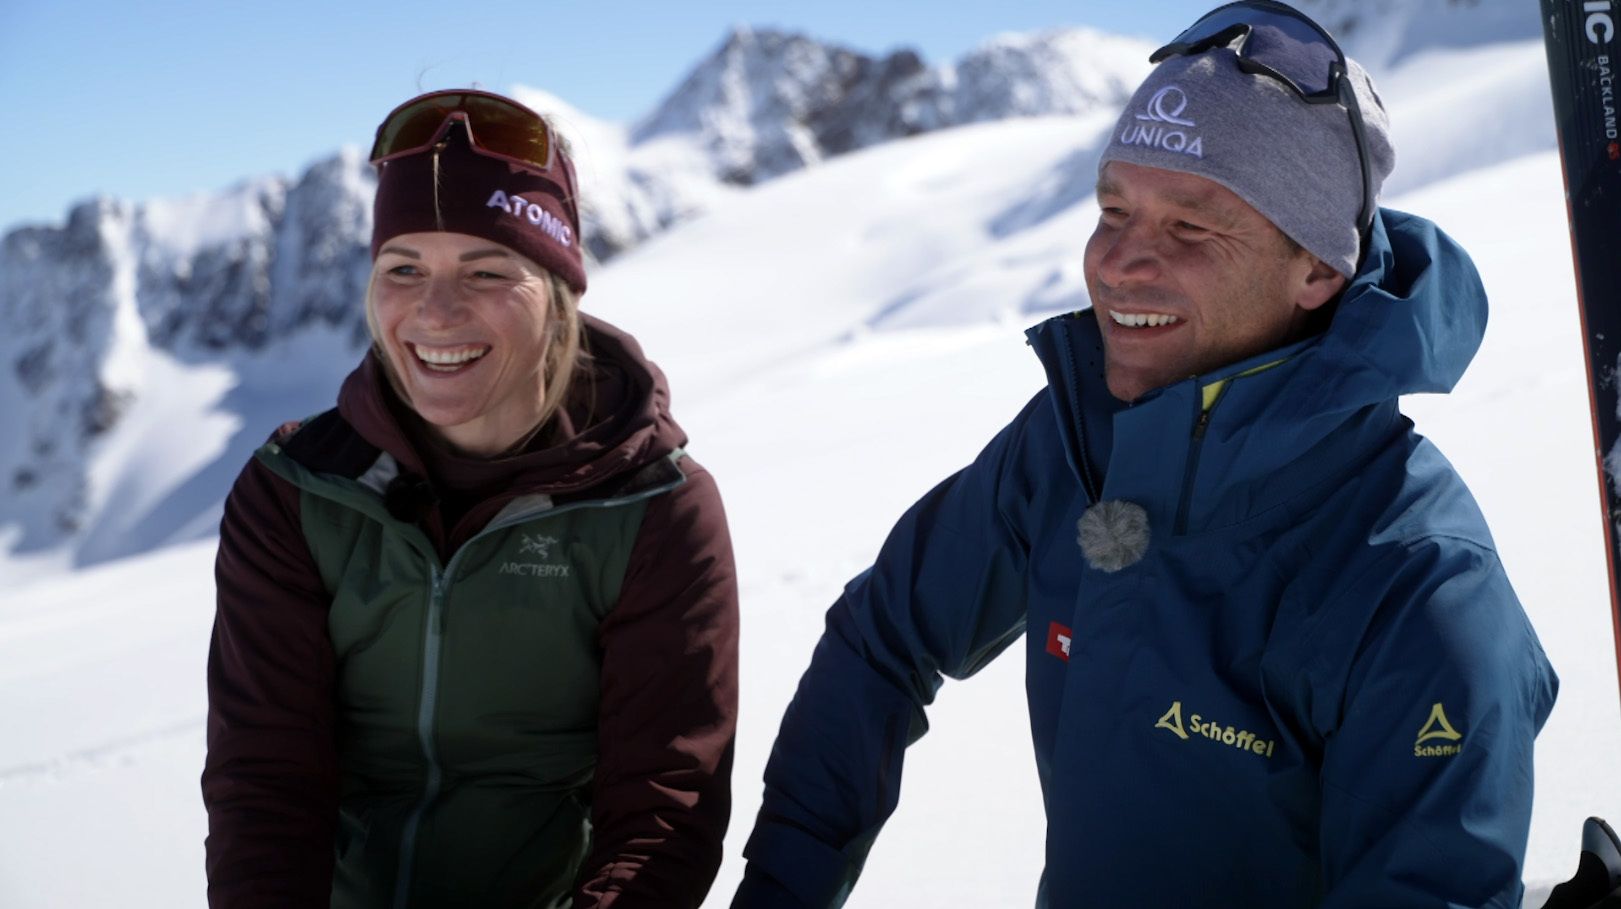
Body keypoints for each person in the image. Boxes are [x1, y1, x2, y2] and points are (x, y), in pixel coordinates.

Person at [731, 3, 1558, 906]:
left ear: (1318, 268)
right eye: (1113, 210)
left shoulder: (1418, 595)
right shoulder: (1074, 446)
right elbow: (882, 637)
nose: (1119, 263)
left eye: (1190, 228)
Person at [201, 89, 738, 909]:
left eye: (486, 271)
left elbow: (663, 808)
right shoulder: (297, 491)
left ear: (557, 293)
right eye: (403, 269)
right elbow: (265, 783)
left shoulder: (653, 505)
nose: (435, 310)